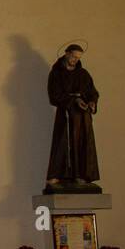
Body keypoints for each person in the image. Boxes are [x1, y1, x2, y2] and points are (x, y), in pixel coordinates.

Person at [45, 43, 100, 190]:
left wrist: (92, 102)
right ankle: (58, 174)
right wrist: (73, 100)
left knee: (82, 142)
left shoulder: (83, 74)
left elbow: (92, 92)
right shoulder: (56, 74)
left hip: (82, 116)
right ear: (67, 54)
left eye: (78, 58)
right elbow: (54, 96)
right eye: (74, 56)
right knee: (63, 142)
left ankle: (81, 174)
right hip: (66, 114)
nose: (75, 60)